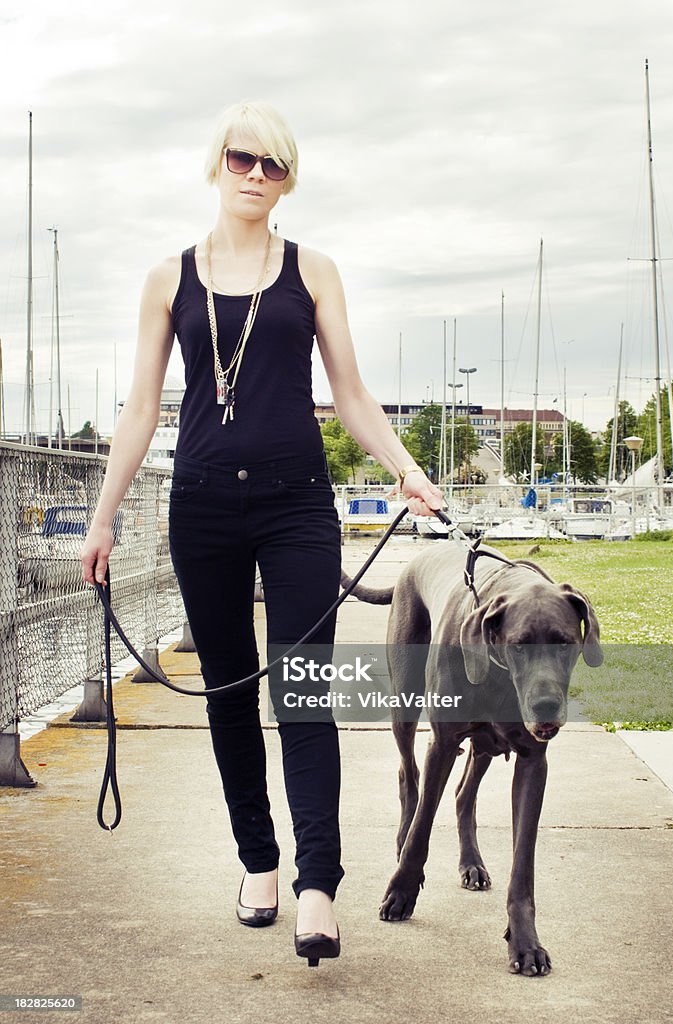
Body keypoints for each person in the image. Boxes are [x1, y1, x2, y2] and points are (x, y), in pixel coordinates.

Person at [80, 100, 442, 967]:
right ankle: (258, 864)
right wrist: (101, 519)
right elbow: (138, 410)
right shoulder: (169, 280)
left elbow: (349, 393)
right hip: (200, 504)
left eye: (273, 166)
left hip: (297, 505)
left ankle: (318, 885)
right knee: (230, 697)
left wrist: (404, 467)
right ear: (218, 164)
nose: (255, 175)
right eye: (243, 159)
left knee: (303, 690)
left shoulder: (311, 271)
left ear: (287, 181)